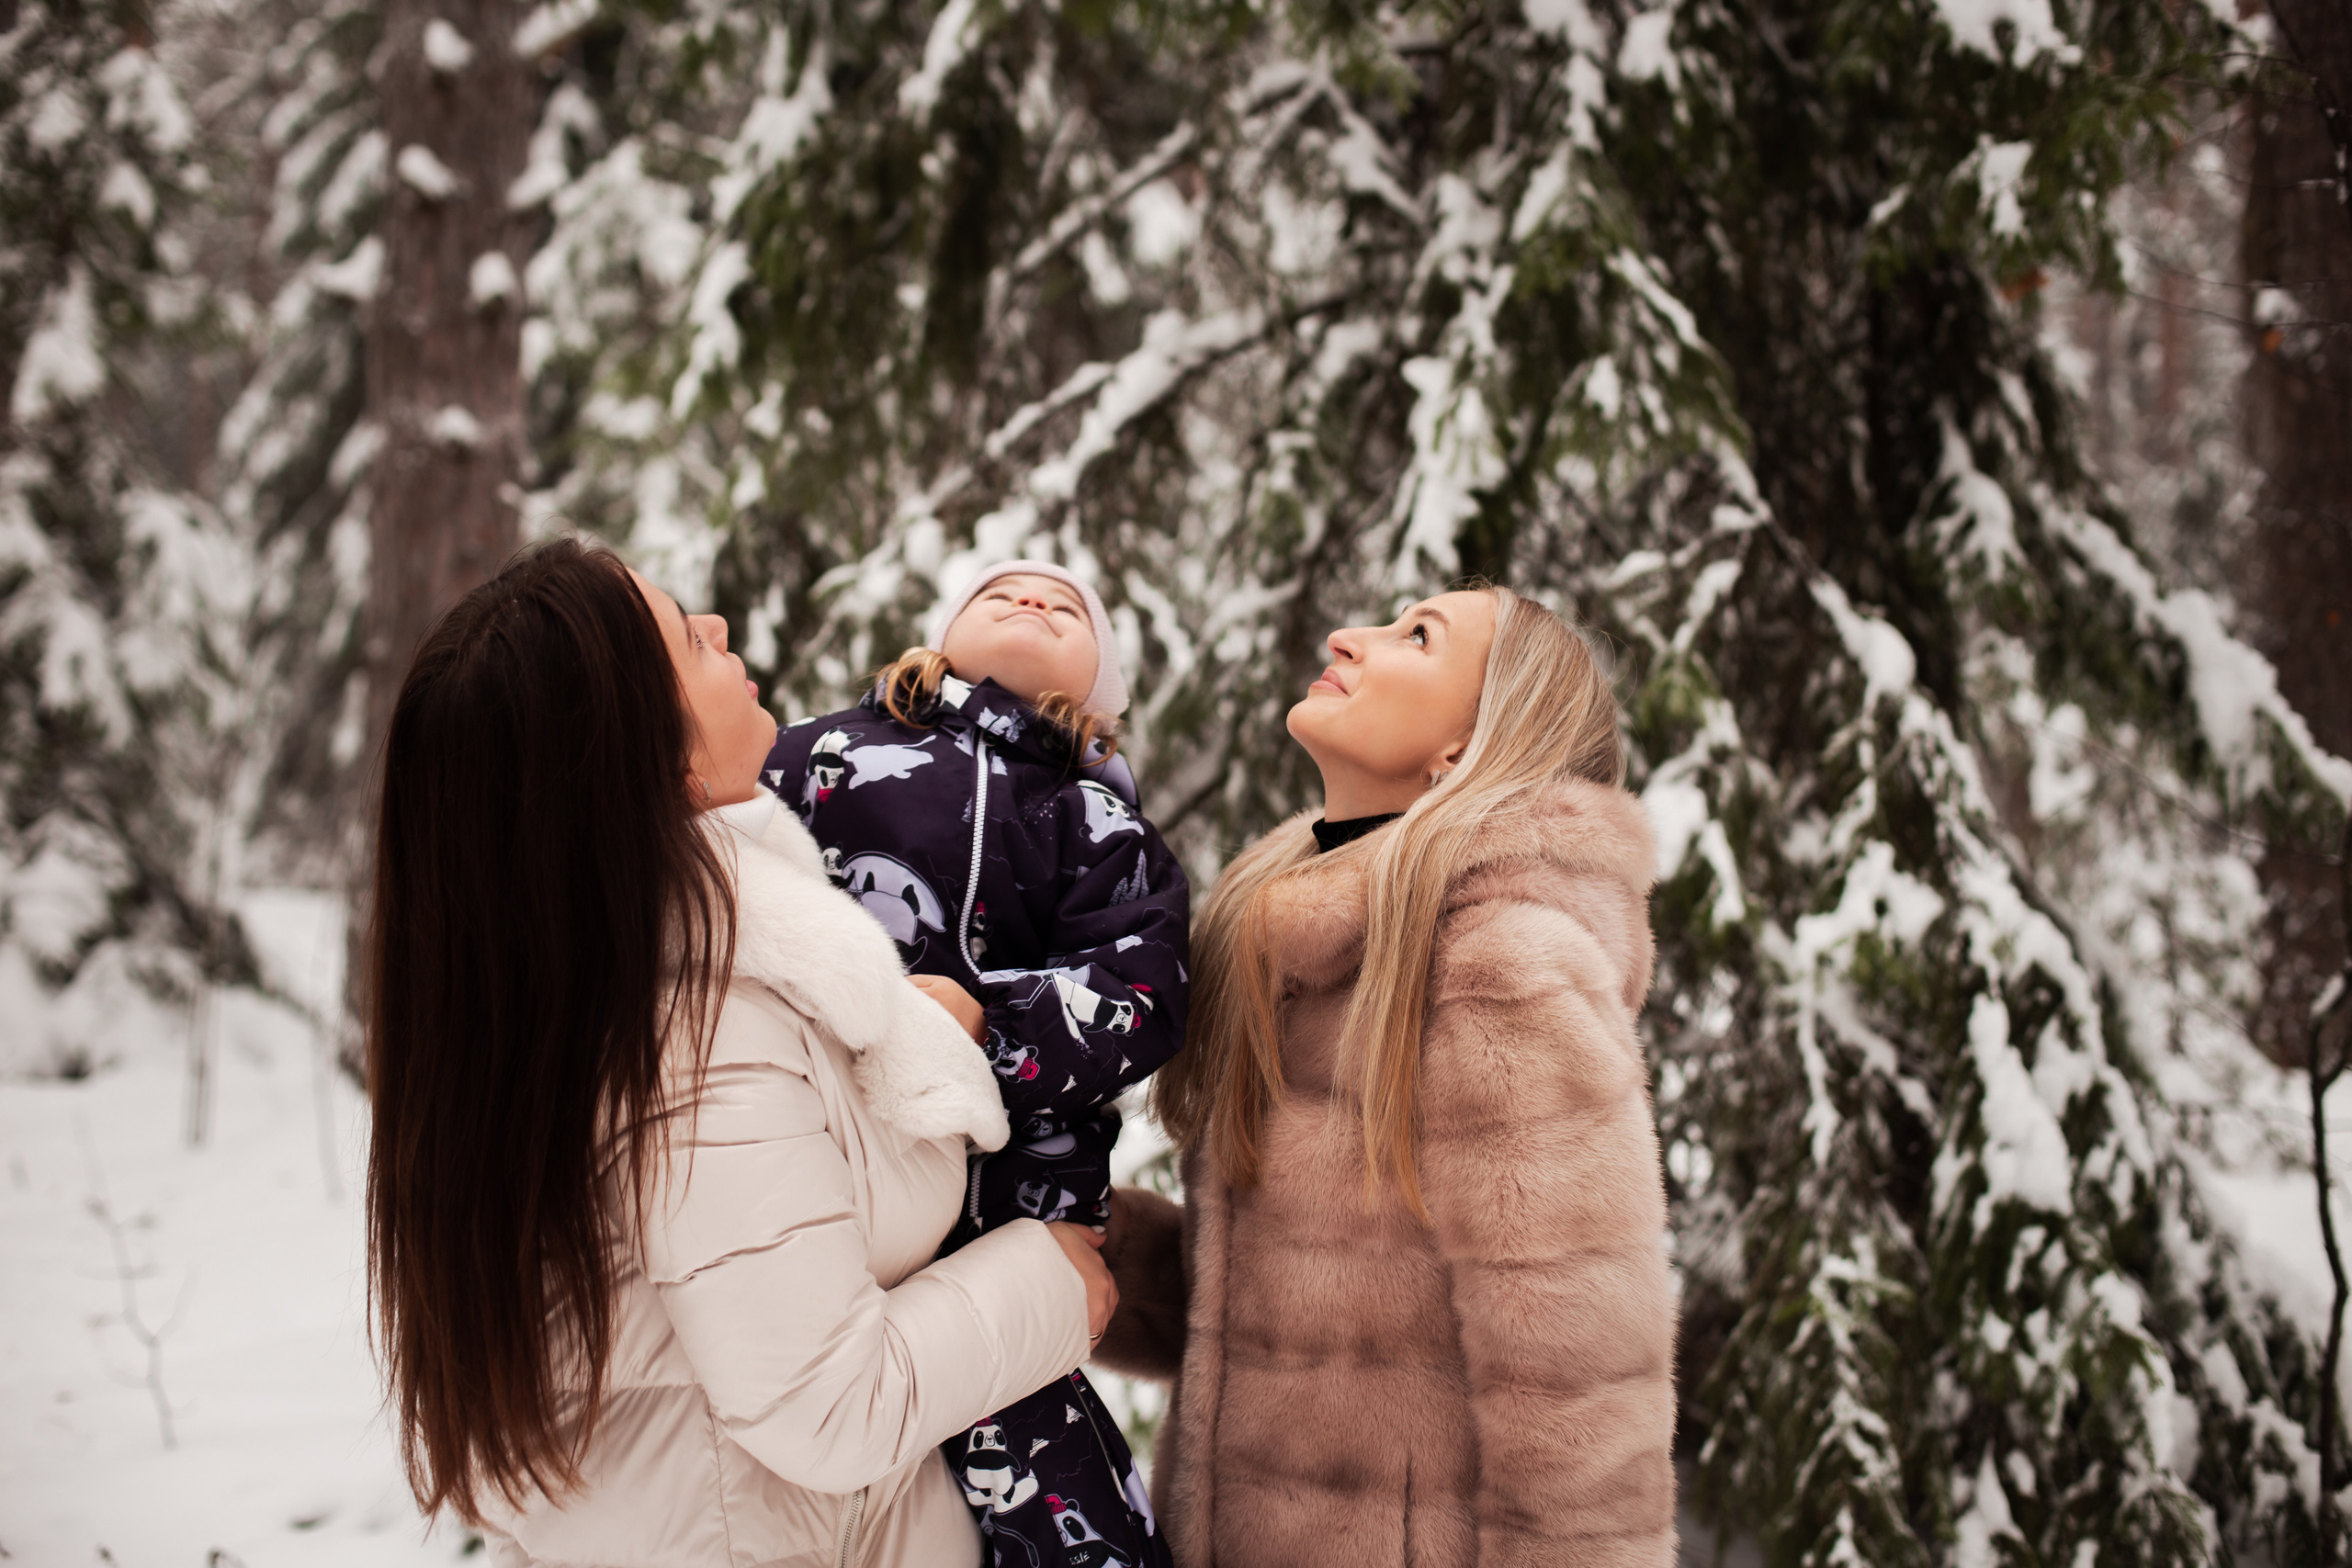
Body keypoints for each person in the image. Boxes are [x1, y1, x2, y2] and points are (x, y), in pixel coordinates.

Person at [364, 537, 1117, 1568]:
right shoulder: (691, 1038)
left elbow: (799, 1204)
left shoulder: (645, 985)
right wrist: (1054, 1280)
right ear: (654, 756)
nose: (717, 627)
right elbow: (825, 1404)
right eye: (684, 634)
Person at [1095, 584, 1678, 1567]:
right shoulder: (1311, 955)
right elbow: (1287, 1309)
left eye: (1417, 635)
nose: (1344, 637)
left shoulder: (1501, 968)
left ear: (1466, 743)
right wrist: (1055, 1233)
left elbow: (1577, 1396)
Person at [762, 559, 1188, 1568]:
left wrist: (986, 1021)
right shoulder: (821, 755)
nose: (1033, 600)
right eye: (1000, 592)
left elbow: (1144, 993)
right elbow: (729, 890)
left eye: (1068, 607)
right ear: (940, 635)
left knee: (1076, 1533)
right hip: (824, 1194)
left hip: (1012, 1236)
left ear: (1101, 689)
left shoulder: (1102, 825)